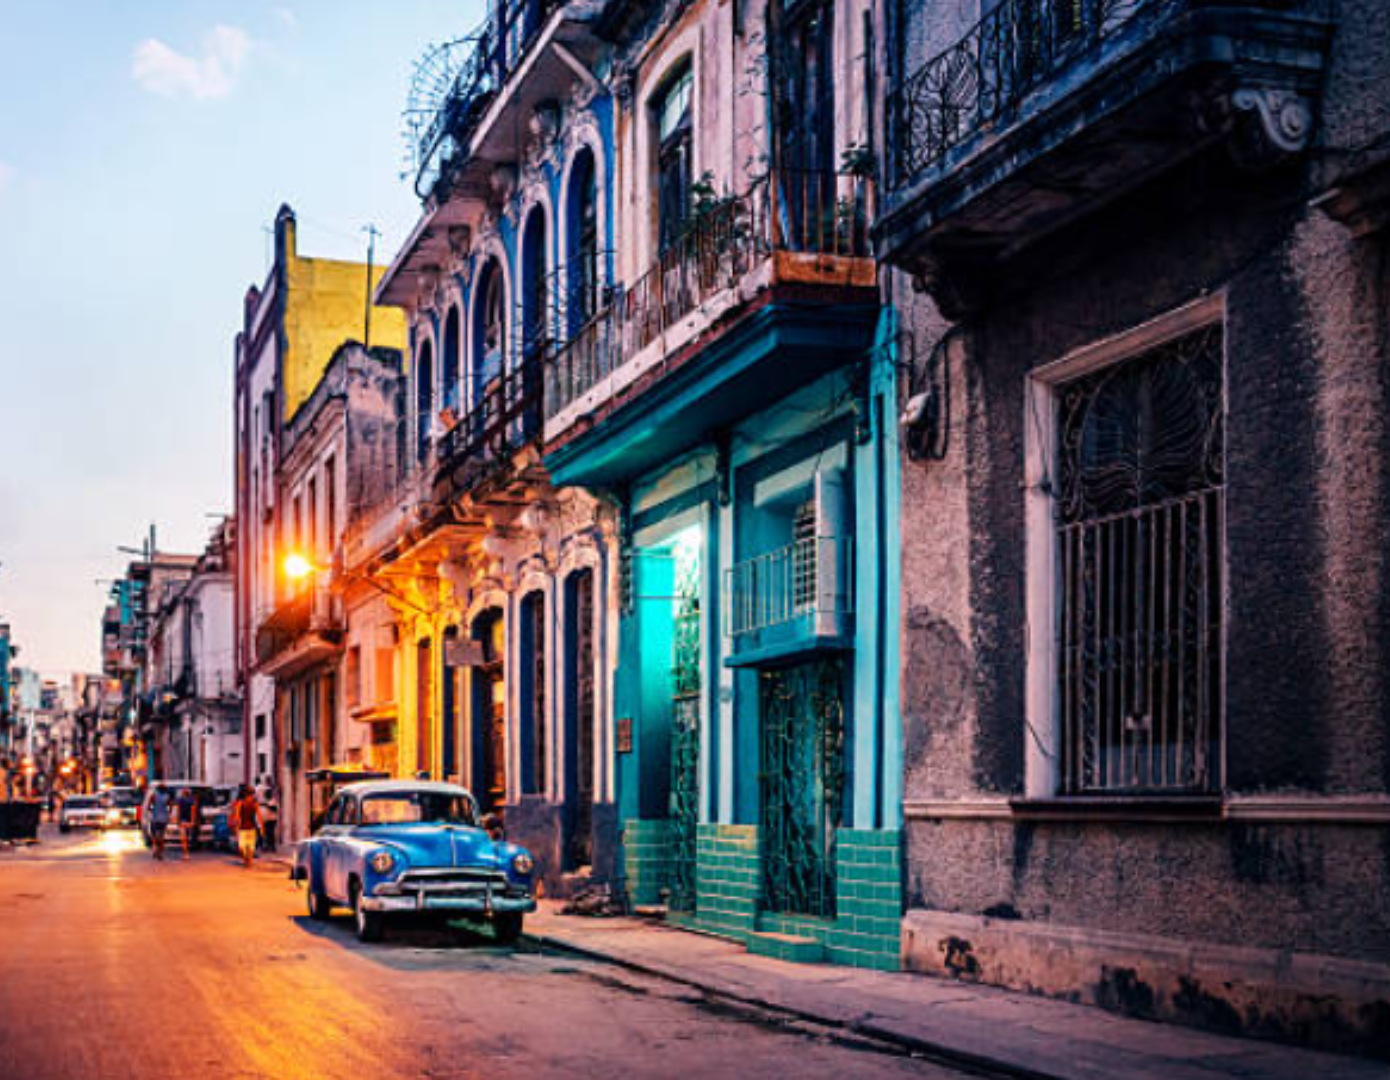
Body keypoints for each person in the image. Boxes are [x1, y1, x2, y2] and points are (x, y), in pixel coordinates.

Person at [228, 785, 264, 869]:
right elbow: (237, 816)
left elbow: (259, 816)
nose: (251, 796)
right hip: (242, 827)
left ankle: (249, 862)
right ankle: (245, 860)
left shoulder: (255, 804)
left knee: (251, 846)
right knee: (242, 847)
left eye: (252, 795)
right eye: (250, 794)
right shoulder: (240, 803)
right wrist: (236, 827)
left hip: (252, 827)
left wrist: (261, 827)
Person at [148, 786, 172, 861]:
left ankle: (155, 849)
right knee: (161, 836)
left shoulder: (153, 796)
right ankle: (159, 852)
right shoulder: (167, 797)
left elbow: (149, 806)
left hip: (155, 818)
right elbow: (169, 807)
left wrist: (152, 810)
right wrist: (167, 813)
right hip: (163, 819)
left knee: (154, 835)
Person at [175, 788, 199, 860]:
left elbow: (178, 810)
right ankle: (186, 853)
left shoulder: (180, 800)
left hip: (182, 820)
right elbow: (193, 810)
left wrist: (177, 820)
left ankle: (186, 853)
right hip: (189, 821)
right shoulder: (192, 800)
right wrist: (193, 821)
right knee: (187, 837)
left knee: (184, 838)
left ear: (183, 793)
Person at [257, 777, 278, 853]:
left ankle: (272, 846)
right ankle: (266, 846)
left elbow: (275, 808)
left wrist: (267, 805)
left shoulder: (272, 801)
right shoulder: (266, 801)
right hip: (266, 818)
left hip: (272, 819)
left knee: (270, 833)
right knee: (265, 833)